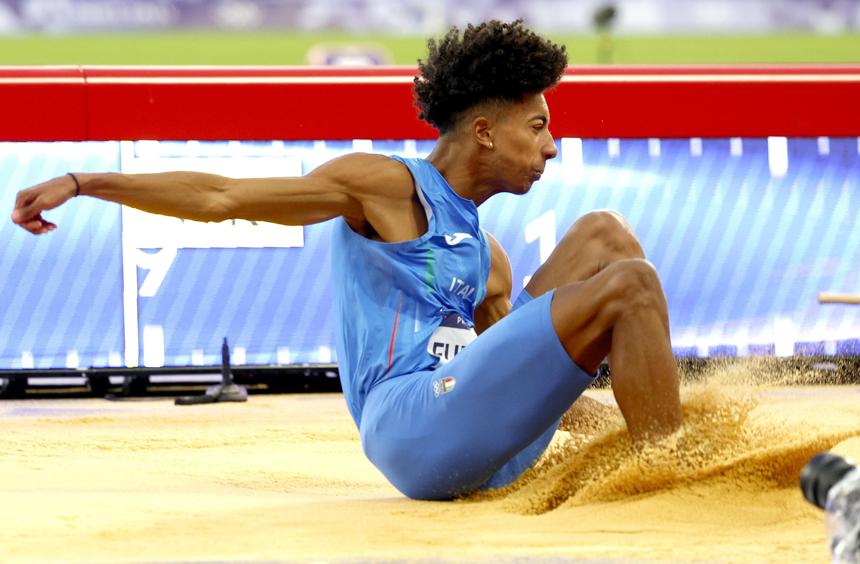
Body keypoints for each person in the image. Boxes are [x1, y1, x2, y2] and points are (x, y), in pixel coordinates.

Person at [11, 20, 682, 500]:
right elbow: (221, 196)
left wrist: (612, 421)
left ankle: (654, 443)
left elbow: (522, 385)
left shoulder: (487, 258)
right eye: (538, 127)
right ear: (484, 131)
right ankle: (674, 478)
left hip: (480, 448)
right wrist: (83, 182)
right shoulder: (386, 187)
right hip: (413, 426)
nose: (553, 148)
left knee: (606, 237)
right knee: (634, 286)